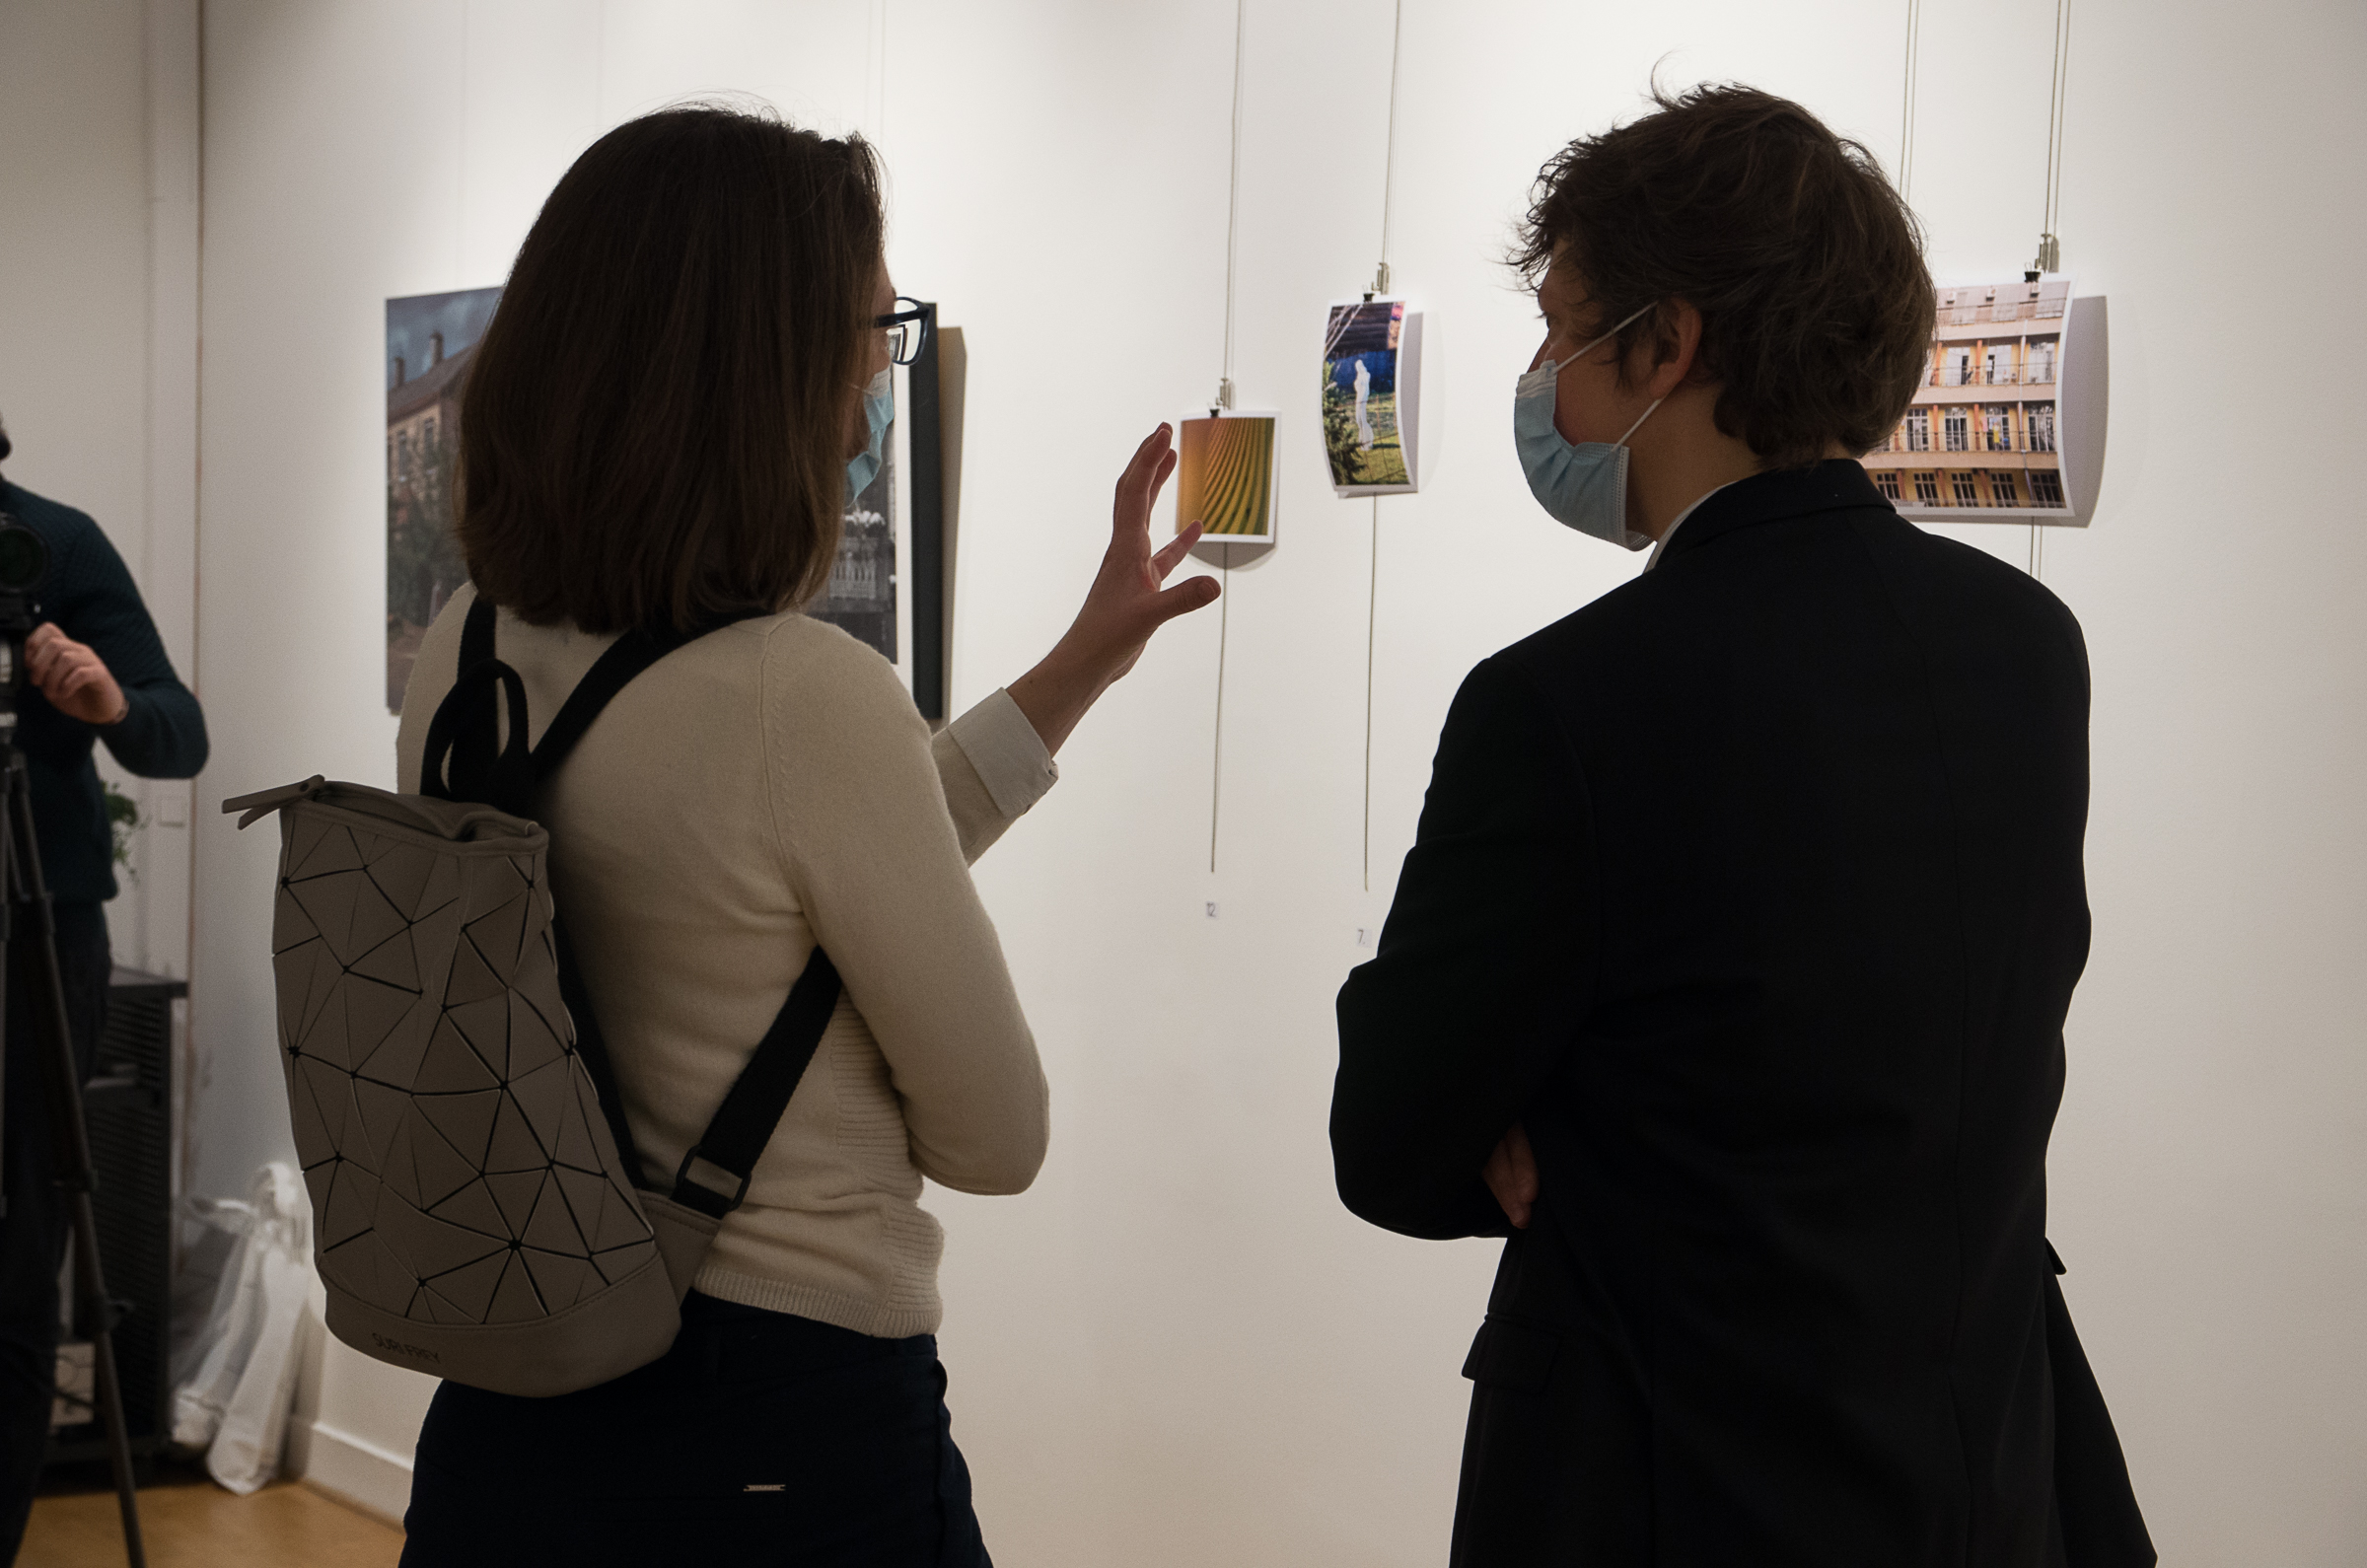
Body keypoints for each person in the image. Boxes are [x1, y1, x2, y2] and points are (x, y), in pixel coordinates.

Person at [1329, 86, 2155, 1567]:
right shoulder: (2028, 648)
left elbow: (1391, 1129)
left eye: (1563, 330)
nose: (1543, 379)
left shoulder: (1565, 703)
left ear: (1670, 343)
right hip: (1977, 1474)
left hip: (1669, 1486)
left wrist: (1543, 1112)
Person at [390, 107, 1216, 1566]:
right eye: (862, 333)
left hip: (518, 1396)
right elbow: (997, 1133)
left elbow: (741, 883)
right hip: (773, 1430)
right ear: (753, 366)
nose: (863, 393)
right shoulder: (799, 693)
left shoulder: (465, 649)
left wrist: (1083, 660)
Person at [0, 418, 208, 1563]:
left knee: (23, 1252)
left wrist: (107, 704)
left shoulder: (54, 548)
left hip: (31, 939)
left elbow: (180, 735)